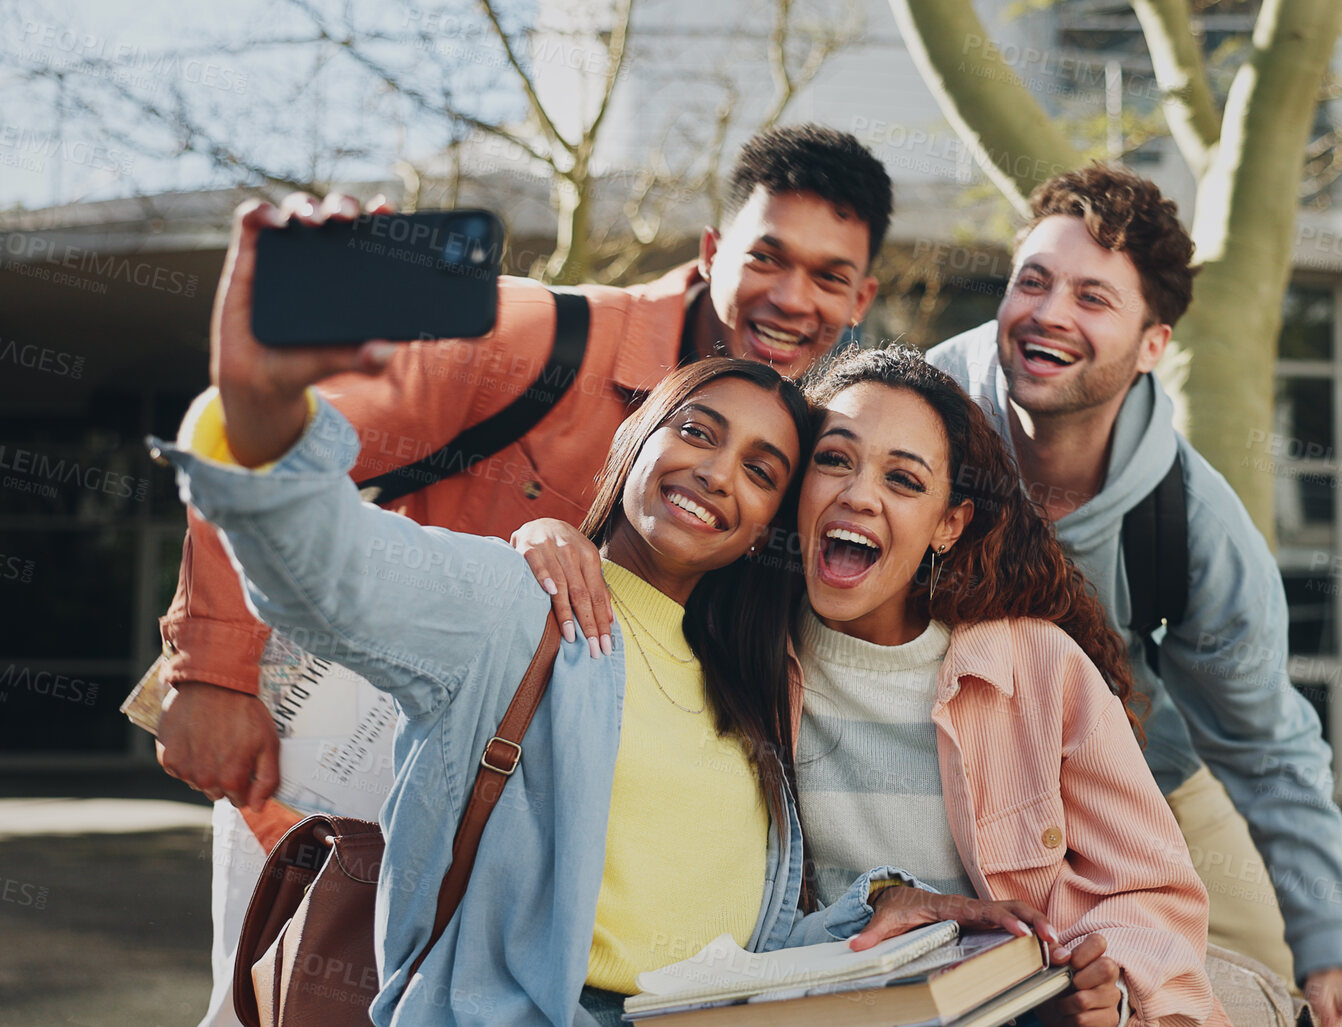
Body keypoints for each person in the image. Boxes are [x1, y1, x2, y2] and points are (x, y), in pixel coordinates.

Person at [152, 125, 893, 1027]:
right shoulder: (540, 335)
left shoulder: (801, 436)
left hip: (537, 811)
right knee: (286, 982)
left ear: (862, 295)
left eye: (826, 275)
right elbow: (288, 471)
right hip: (374, 706)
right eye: (767, 257)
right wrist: (213, 673)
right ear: (711, 252)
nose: (789, 297)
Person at [159, 305, 1052, 1026]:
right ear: (636, 438)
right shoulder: (517, 605)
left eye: (761, 469)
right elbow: (316, 558)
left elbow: (744, 945)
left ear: (768, 525)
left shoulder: (748, 685)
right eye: (697, 432)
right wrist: (263, 402)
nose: (715, 474)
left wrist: (880, 909)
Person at [516, 347, 1229, 1027]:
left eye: (904, 479)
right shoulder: (736, 647)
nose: (858, 495)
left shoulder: (1034, 670)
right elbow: (637, 575)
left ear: (948, 524)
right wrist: (548, 535)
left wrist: (1109, 990)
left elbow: (1150, 891)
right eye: (834, 461)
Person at [924, 165, 1342, 1027]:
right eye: (1033, 280)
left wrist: (1330, 950)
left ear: (1152, 344)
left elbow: (1270, 748)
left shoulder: (1194, 528)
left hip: (1148, 780)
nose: (1049, 313)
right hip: (944, 766)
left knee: (1265, 992)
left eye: (1092, 298)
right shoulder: (919, 415)